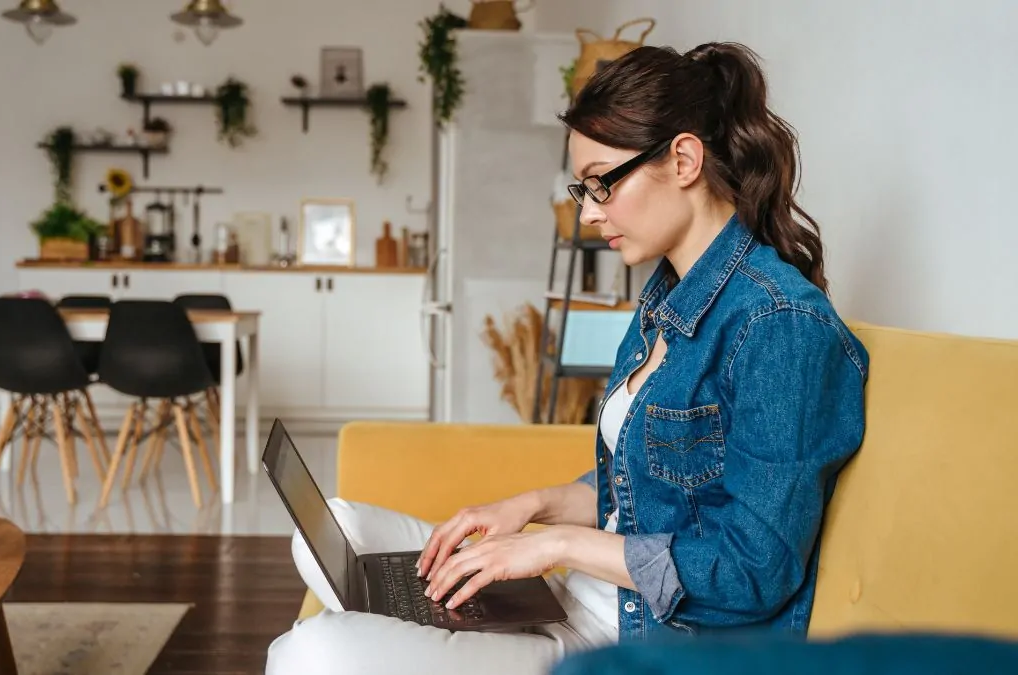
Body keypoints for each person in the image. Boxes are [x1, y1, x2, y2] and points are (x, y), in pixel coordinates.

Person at [265, 41, 869, 675]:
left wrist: (555, 547)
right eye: (583, 189)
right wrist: (532, 507)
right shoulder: (668, 294)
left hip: (639, 643)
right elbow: (646, 485)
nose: (589, 213)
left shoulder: (780, 326)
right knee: (336, 525)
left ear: (685, 159)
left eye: (603, 183)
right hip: (578, 602)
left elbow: (753, 571)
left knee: (314, 651)